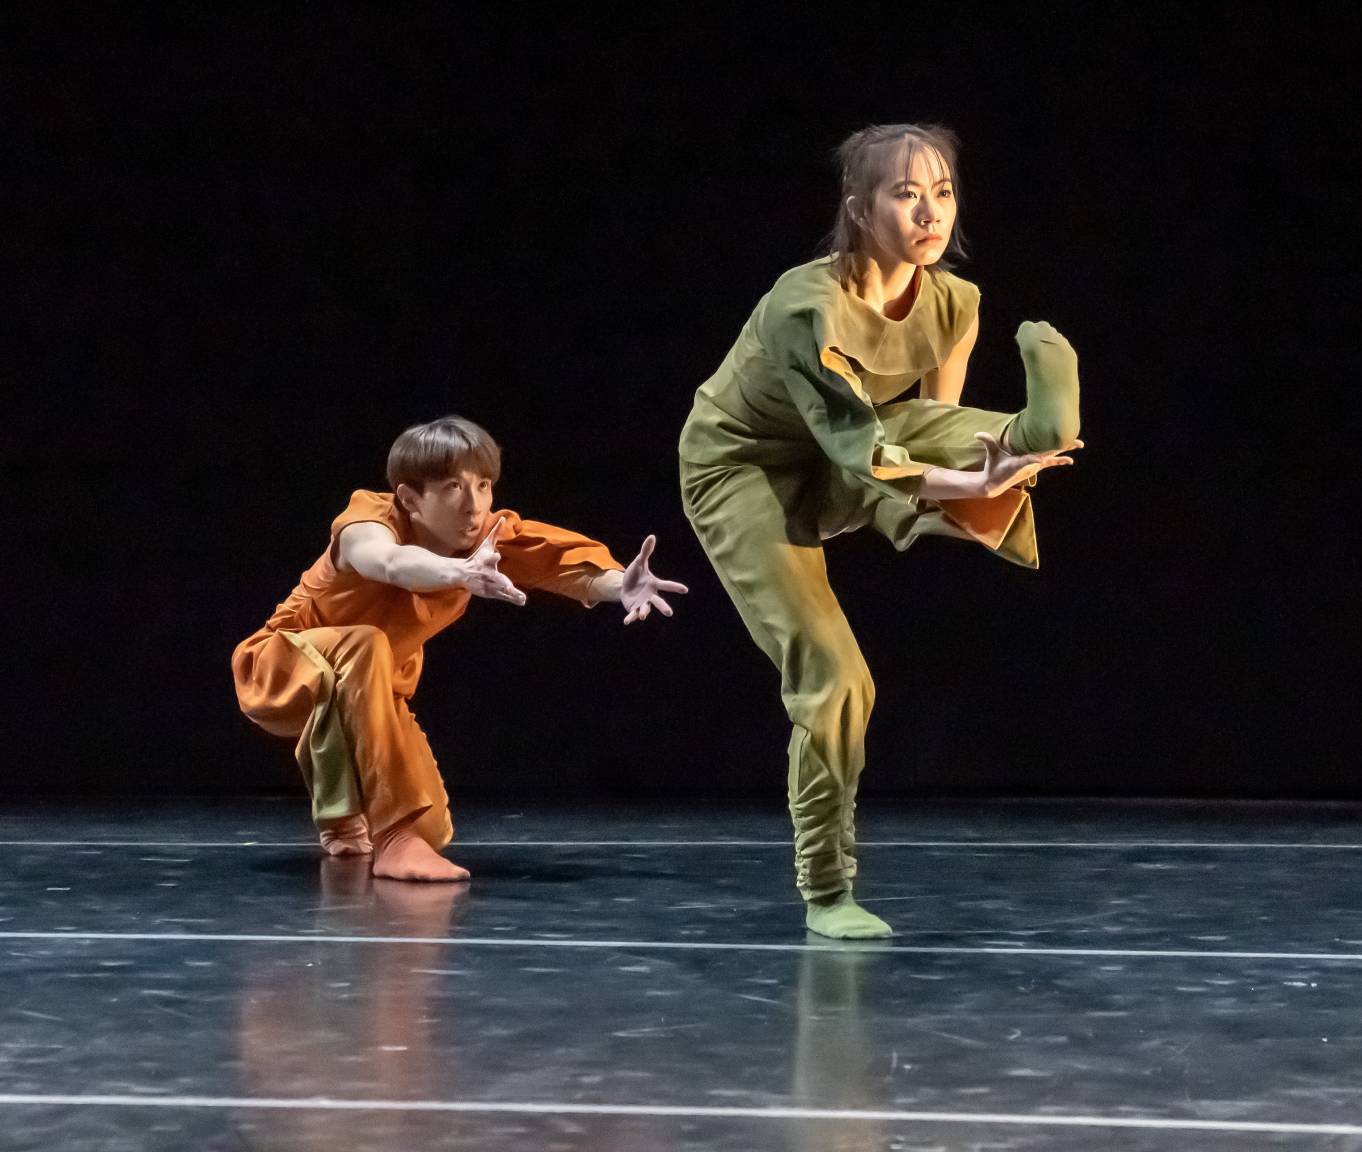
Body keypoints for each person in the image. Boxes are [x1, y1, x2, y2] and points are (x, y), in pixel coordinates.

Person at [678, 123, 1082, 938]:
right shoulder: (805, 306)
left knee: (956, 436)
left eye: (942, 193)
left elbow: (926, 420)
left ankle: (1035, 431)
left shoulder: (953, 304)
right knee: (837, 679)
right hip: (743, 469)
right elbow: (859, 447)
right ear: (860, 209)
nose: (929, 212)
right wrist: (959, 492)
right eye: (905, 194)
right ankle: (828, 890)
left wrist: (975, 483)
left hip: (859, 454)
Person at [233, 415, 687, 882]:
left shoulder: (485, 538)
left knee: (433, 828)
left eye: (484, 484)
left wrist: (619, 584)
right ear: (410, 498)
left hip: (371, 696)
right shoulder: (368, 519)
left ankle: (350, 824)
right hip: (278, 668)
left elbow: (558, 564)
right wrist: (458, 574)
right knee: (364, 643)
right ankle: (392, 839)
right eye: (453, 487)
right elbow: (386, 561)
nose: (474, 505)